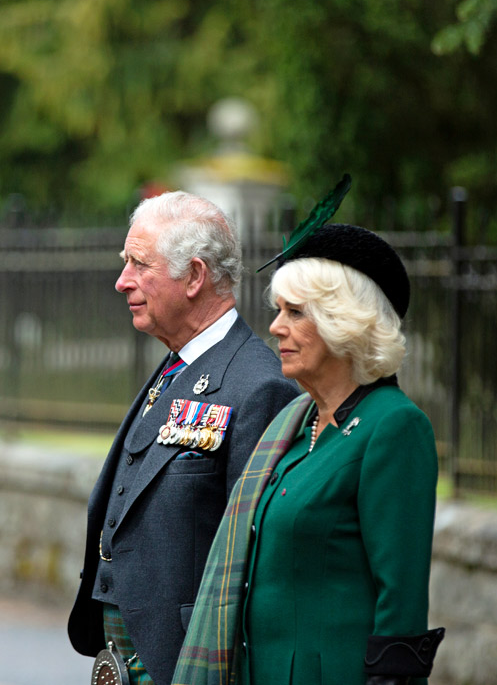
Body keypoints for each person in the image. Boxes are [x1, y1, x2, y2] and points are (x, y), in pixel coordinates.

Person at [173, 222, 444, 685]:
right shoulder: (295, 424)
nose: (276, 327)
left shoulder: (394, 427)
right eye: (279, 310)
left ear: (345, 321)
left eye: (295, 312)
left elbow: (401, 602)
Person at [67, 191, 300, 685]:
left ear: (194, 277)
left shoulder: (259, 386)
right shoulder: (177, 364)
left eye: (139, 263)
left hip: (188, 659)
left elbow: (255, 562)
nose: (122, 280)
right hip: (124, 652)